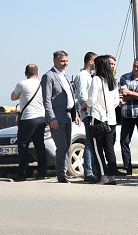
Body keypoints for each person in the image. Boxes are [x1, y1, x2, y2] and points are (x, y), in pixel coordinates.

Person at [40, 50, 79, 183]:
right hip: (57, 117)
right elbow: (47, 100)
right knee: (61, 147)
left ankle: (65, 173)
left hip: (68, 116)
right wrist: (51, 118)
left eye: (67, 61)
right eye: (62, 61)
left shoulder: (65, 75)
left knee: (67, 146)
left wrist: (75, 115)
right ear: (55, 61)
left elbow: (71, 96)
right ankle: (61, 175)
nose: (65, 64)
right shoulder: (49, 76)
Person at [10, 62, 48, 180]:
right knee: (40, 146)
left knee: (23, 146)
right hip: (41, 118)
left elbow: (13, 97)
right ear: (37, 73)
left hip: (28, 118)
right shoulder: (42, 84)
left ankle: (22, 173)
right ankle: (42, 173)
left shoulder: (22, 84)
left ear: (25, 73)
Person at [87, 54, 120, 184]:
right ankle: (112, 177)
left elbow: (91, 101)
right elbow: (116, 101)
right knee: (109, 149)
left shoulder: (96, 79)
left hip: (98, 118)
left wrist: (86, 104)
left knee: (97, 149)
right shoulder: (113, 80)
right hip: (111, 119)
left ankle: (103, 177)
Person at [118, 57, 138, 176]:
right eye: (134, 66)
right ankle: (127, 168)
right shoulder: (124, 77)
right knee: (124, 141)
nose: (136, 68)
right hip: (127, 115)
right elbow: (123, 94)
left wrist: (130, 93)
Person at [73, 52, 98, 183]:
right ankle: (88, 171)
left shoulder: (89, 76)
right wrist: (91, 103)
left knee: (92, 142)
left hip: (90, 112)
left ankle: (93, 170)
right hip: (87, 113)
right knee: (89, 142)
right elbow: (82, 96)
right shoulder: (83, 76)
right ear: (91, 62)